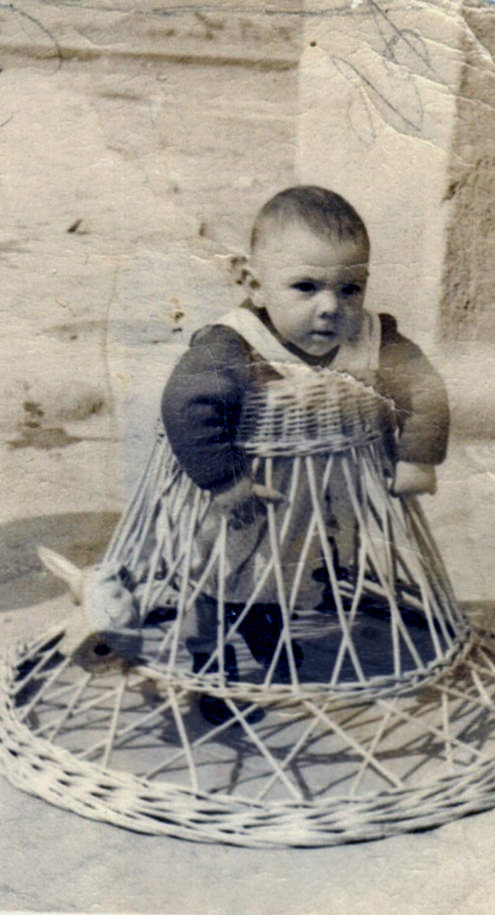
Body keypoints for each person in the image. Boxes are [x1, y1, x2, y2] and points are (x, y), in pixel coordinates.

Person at [161, 185, 449, 722]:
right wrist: (226, 480)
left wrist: (417, 455)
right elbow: (187, 404)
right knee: (218, 574)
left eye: (350, 288)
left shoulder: (374, 338)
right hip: (243, 496)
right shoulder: (232, 345)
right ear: (253, 283)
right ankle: (213, 670)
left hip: (317, 500)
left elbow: (424, 389)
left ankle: (264, 624)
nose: (330, 309)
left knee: (289, 573)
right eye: (306, 287)